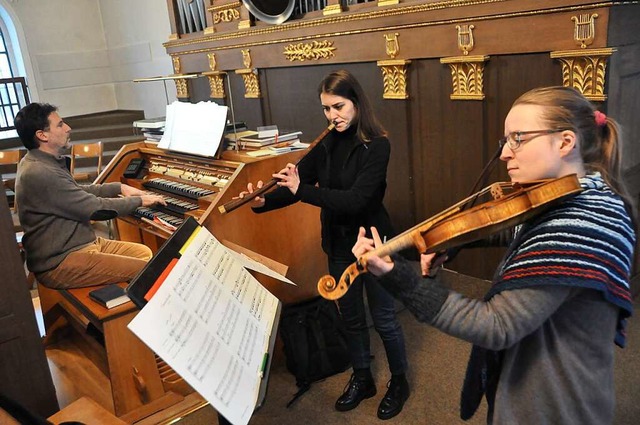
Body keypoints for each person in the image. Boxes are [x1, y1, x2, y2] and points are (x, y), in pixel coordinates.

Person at [352, 86, 635, 425]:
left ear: (565, 142)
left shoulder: (578, 229)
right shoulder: (580, 195)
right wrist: (457, 240)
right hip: (539, 378)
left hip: (552, 403)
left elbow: (496, 326)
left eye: (518, 138)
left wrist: (399, 279)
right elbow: (518, 229)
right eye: (506, 140)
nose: (504, 154)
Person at [238, 70, 410, 419]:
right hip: (337, 244)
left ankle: (399, 381)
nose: (333, 116)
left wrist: (303, 190)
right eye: (326, 109)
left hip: (375, 243)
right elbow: (298, 185)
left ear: (357, 103)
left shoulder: (378, 145)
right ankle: (363, 377)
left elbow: (357, 201)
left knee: (385, 318)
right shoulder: (328, 141)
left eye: (339, 106)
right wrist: (263, 202)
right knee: (350, 317)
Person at [14, 102, 166, 289]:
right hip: (60, 260)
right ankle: (122, 312)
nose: (68, 128)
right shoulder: (39, 171)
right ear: (42, 135)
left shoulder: (40, 161)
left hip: (81, 244)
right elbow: (95, 208)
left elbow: (77, 193)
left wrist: (119, 187)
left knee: (143, 252)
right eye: (60, 125)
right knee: (148, 270)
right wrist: (140, 200)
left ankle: (125, 305)